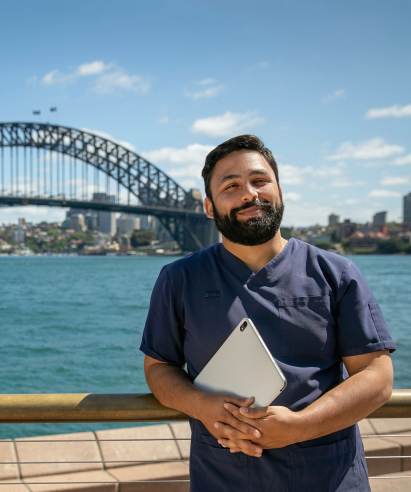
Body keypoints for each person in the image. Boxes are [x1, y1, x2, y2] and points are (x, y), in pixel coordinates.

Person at [140, 135, 395, 491]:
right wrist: (201, 405)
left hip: (329, 477)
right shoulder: (179, 279)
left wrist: (302, 424)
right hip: (223, 478)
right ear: (209, 207)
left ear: (280, 191)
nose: (249, 193)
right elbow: (159, 369)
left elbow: (377, 376)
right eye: (231, 185)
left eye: (260, 181)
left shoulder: (336, 273)